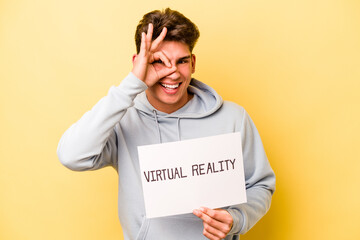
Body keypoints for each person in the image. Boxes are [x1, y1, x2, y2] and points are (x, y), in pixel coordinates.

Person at [57, 8, 275, 240]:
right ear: (139, 63)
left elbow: (260, 185)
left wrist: (238, 218)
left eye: (181, 61)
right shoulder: (122, 120)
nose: (172, 73)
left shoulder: (233, 117)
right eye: (159, 62)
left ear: (192, 63)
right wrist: (133, 83)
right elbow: (72, 155)